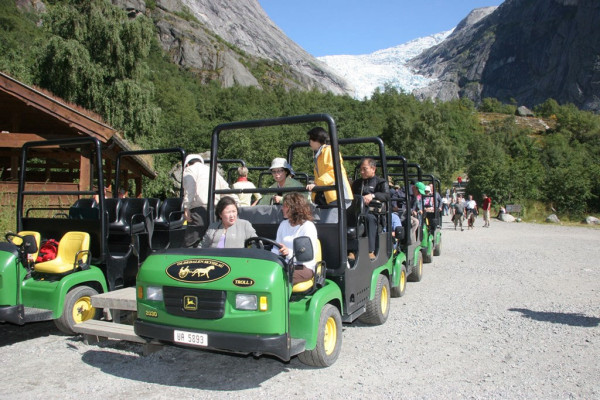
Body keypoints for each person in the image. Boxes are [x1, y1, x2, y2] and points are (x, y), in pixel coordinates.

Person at [182, 154, 232, 247]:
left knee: (190, 244)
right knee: (212, 242)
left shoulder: (189, 169)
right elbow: (225, 189)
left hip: (199, 212)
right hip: (215, 212)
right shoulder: (212, 171)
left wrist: (186, 207)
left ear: (187, 164)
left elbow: (190, 188)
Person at [272, 192, 319, 285]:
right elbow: (275, 248)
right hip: (285, 264)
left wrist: (288, 253)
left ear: (294, 208)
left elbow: (306, 256)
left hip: (304, 267)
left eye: (285, 206)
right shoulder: (283, 224)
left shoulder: (308, 226)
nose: (282, 209)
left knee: (278, 277)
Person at [349, 158, 390, 260]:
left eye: (365, 169)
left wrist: (373, 195)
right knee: (346, 219)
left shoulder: (380, 182)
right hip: (358, 212)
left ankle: (370, 250)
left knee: (368, 218)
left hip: (374, 214)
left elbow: (386, 196)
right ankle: (351, 250)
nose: (362, 172)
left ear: (373, 169)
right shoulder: (357, 183)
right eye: (361, 169)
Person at [305, 127, 353, 206]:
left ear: (316, 140)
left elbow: (333, 172)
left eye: (310, 139)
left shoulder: (329, 151)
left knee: (329, 218)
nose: (309, 142)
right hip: (329, 196)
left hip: (339, 196)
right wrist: (314, 196)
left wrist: (316, 185)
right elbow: (319, 177)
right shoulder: (319, 155)